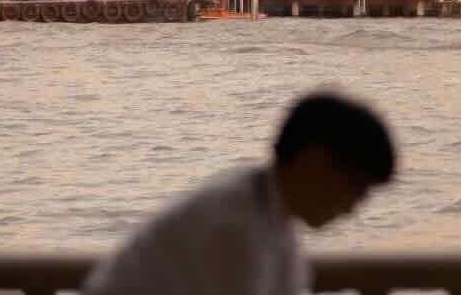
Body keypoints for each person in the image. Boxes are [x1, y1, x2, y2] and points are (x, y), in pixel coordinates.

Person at [84, 91, 396, 295]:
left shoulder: (260, 207)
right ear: (313, 162)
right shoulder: (234, 226)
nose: (354, 206)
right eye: (355, 188)